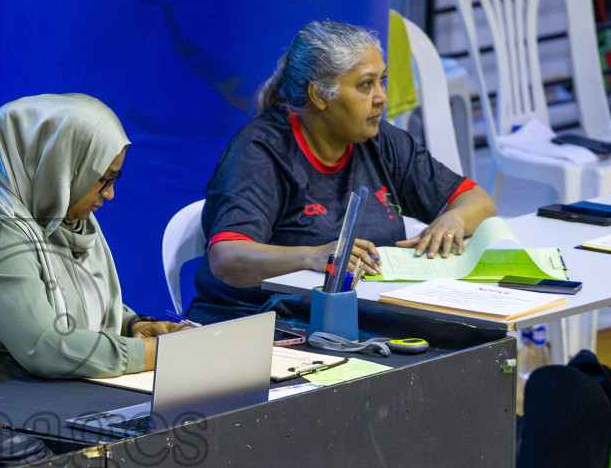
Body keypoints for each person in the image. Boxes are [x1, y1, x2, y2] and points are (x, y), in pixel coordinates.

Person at [189, 19, 497, 322]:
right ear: (319, 95)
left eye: (382, 81)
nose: (381, 97)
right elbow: (227, 258)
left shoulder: (379, 139)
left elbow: (479, 202)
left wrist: (453, 219)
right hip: (263, 322)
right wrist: (311, 256)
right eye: (366, 85)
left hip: (361, 315)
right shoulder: (259, 152)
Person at [0, 93, 182, 401]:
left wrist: (131, 324)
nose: (110, 194)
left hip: (36, 394)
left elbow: (68, 295)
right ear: (62, 166)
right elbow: (45, 347)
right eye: (103, 179)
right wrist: (149, 354)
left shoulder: (60, 215)